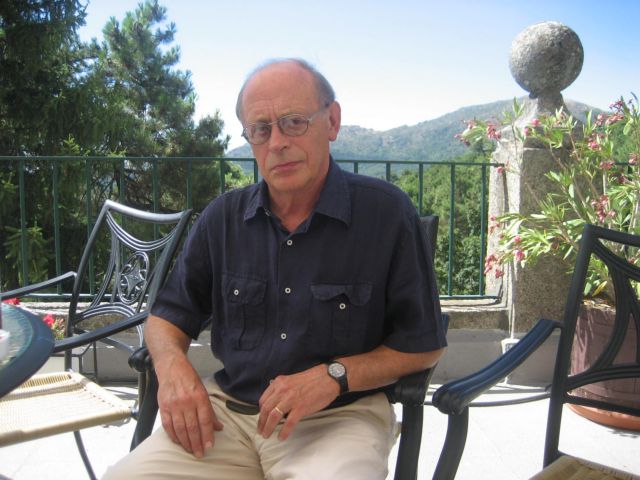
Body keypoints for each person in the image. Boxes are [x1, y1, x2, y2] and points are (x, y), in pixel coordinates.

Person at [104, 58, 446, 480]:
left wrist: (335, 375)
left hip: (338, 417)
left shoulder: (387, 214)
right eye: (260, 129)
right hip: (226, 417)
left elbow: (423, 344)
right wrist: (173, 370)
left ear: (332, 122)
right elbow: (167, 315)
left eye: (294, 122)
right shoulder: (223, 219)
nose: (277, 142)